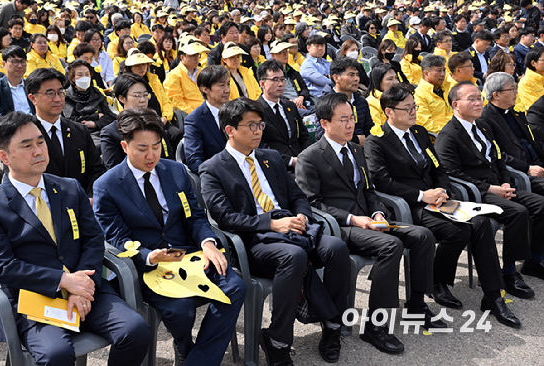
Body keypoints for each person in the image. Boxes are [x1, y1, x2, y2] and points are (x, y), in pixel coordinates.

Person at [0, 111, 151, 366]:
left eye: (40, 142)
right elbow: (4, 267)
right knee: (57, 355)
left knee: (136, 330)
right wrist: (64, 281)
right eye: (27, 146)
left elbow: (92, 239)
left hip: (86, 289)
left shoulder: (69, 187)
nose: (38, 151)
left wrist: (82, 286)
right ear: (4, 157)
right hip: (35, 301)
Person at [200, 97, 351, 365]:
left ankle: (331, 328)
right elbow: (224, 217)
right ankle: (279, 340)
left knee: (337, 248)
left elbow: (297, 195)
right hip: (255, 241)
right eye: (251, 126)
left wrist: (303, 215)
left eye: (260, 125)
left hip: (292, 231)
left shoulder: (270, 157)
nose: (259, 131)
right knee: (293, 257)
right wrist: (271, 223)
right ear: (230, 130)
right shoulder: (213, 168)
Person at [94, 106, 246, 365]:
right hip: (150, 264)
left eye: (156, 146)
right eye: (142, 148)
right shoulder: (107, 185)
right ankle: (186, 347)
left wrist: (208, 243)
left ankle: (196, 360)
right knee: (180, 308)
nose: (151, 154)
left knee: (234, 286)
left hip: (189, 254)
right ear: (124, 146)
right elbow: (117, 238)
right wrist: (149, 256)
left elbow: (195, 216)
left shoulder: (175, 171)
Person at [364, 83, 521, 328]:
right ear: (389, 112)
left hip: (437, 200)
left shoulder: (419, 133)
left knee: (480, 223)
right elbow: (381, 181)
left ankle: (493, 296)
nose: (413, 112)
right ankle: (436, 283)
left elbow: (438, 168)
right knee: (458, 230)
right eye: (407, 108)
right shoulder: (377, 141)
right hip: (410, 205)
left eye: (414, 106)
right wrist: (420, 195)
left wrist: (442, 191)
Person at [295, 92, 441, 354]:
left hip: (369, 220)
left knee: (422, 236)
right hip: (342, 226)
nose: (350, 125)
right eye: (343, 120)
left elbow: (370, 191)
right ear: (325, 123)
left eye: (352, 118)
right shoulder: (310, 157)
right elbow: (313, 204)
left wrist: (377, 214)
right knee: (391, 245)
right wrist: (354, 219)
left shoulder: (355, 150)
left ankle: (417, 304)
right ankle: (376, 326)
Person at [435, 81, 544, 300]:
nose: (479, 102)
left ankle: (534, 259)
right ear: (455, 104)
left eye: (479, 97)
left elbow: (498, 158)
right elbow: (452, 173)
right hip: (477, 192)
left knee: (541, 204)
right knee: (517, 212)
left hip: (498, 186)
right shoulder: (448, 135)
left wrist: (504, 182)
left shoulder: (482, 126)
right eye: (472, 99)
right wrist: (489, 188)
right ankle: (509, 271)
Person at [26, 68, 105, 199]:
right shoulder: (25, 134)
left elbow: (96, 170)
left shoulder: (79, 130)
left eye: (60, 92)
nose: (57, 99)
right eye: (50, 93)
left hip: (82, 203)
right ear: (33, 98)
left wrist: (90, 197)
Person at [479, 72, 544, 197]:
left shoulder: (515, 112)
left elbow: (533, 142)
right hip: (520, 172)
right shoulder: (484, 119)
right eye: (512, 89)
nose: (517, 93)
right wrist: (527, 168)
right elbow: (497, 154)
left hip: (537, 163)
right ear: (496, 95)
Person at [257, 60, 311, 171]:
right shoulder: (255, 110)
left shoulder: (290, 106)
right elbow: (261, 146)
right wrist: (290, 161)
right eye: (275, 80)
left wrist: (305, 156)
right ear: (262, 84)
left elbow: (304, 135)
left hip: (303, 161)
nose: (281, 84)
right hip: (276, 166)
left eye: (282, 79)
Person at [183, 65, 230, 174]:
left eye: (228, 84)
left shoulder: (236, 112)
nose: (227, 90)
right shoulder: (195, 119)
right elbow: (194, 160)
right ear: (205, 89)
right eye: (221, 85)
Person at [320, 57, 374, 146]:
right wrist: (357, 140)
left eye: (357, 75)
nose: (356, 79)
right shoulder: (325, 103)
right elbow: (324, 135)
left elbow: (370, 129)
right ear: (336, 78)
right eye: (351, 75)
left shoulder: (361, 101)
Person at [63, 60, 116, 148]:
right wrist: (96, 116)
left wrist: (95, 123)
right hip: (80, 135)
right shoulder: (67, 96)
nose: (84, 77)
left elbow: (110, 116)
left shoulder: (97, 93)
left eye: (87, 74)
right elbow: (71, 121)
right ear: (73, 78)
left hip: (102, 130)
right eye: (80, 75)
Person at [0, 45, 34, 122]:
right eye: (15, 62)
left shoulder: (33, 85)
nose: (20, 66)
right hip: (10, 131)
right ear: (4, 64)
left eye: (23, 61)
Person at [164, 41, 210, 115]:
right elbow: (177, 102)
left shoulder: (202, 72)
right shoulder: (173, 75)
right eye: (193, 55)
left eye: (198, 55)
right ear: (182, 57)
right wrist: (196, 113)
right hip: (192, 116)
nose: (197, 59)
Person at [414, 55, 452, 134]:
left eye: (444, 70)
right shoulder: (419, 95)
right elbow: (426, 124)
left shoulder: (447, 88)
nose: (442, 74)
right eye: (438, 71)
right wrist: (450, 132)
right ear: (426, 73)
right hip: (442, 136)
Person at [366, 63, 399, 133]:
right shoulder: (371, 102)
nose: (395, 82)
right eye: (390, 79)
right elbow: (377, 130)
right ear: (378, 82)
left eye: (396, 78)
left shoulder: (399, 97)